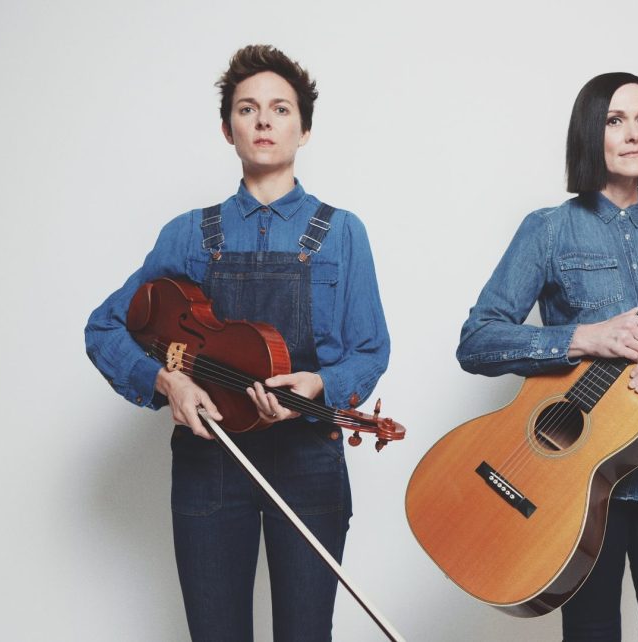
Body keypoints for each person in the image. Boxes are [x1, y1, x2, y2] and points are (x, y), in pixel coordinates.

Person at [84, 44, 390, 641]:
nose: (264, 121)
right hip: (211, 461)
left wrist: (321, 383)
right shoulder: (189, 233)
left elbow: (370, 350)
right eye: (248, 109)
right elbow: (105, 327)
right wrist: (165, 380)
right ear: (228, 129)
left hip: (308, 461)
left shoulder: (343, 233)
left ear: (304, 128)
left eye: (280, 109)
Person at [456, 73, 638, 641]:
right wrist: (581, 337)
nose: (635, 134)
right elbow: (478, 340)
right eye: (616, 120)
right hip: (577, 491)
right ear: (591, 132)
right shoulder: (548, 231)